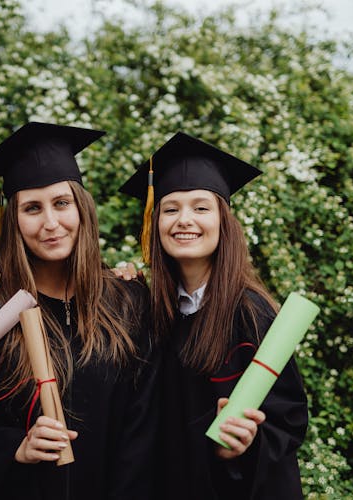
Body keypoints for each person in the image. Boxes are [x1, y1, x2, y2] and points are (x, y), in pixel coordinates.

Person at [0, 122, 160, 500]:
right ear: (13, 219)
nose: (50, 223)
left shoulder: (128, 302)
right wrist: (14, 447)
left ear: (82, 209)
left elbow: (144, 423)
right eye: (32, 208)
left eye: (61, 203)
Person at [120, 131, 309, 499]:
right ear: (155, 222)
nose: (184, 220)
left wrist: (245, 446)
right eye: (171, 208)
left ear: (223, 221)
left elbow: (288, 419)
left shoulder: (253, 314)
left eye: (201, 208)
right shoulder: (150, 311)